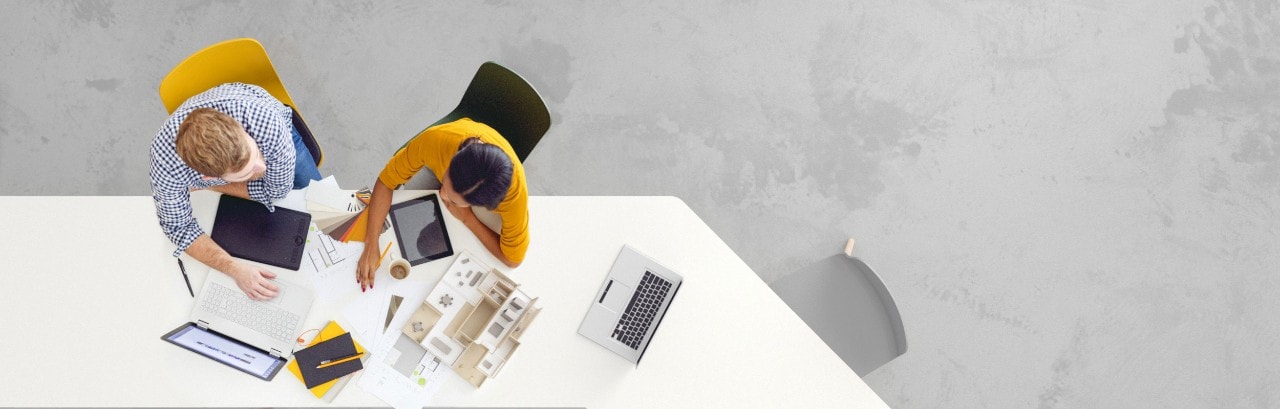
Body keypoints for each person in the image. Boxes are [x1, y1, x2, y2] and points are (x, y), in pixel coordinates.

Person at [150, 82, 322, 300]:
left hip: (274, 122)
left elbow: (277, 190)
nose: (262, 166)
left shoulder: (266, 123)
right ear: (210, 176)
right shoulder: (165, 167)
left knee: (318, 198)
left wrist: (213, 187)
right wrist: (234, 268)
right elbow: (179, 229)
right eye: (247, 171)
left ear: (239, 128)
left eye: (254, 152)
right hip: (207, 173)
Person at [356, 118, 529, 291]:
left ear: (485, 205)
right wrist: (371, 243)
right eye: (445, 183)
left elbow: (512, 259)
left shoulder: (513, 196)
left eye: (453, 200)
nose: (441, 195)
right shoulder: (436, 140)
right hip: (449, 144)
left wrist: (468, 218)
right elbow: (387, 181)